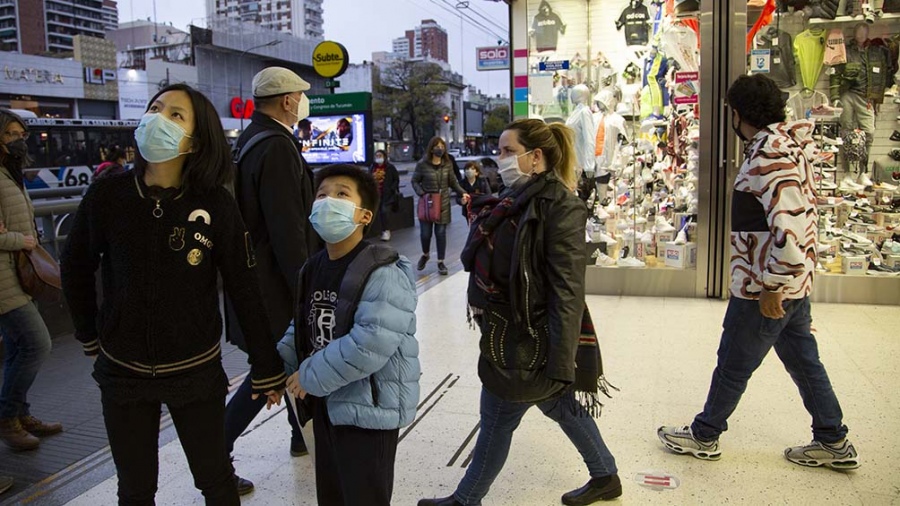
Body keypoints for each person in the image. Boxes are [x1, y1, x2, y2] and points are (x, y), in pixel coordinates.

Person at [60, 84, 287, 505]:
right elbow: (75, 264)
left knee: (216, 480)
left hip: (195, 370)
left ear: (194, 141)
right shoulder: (109, 194)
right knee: (135, 489)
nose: (158, 118)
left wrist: (266, 364)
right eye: (155, 108)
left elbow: (243, 285)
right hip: (123, 371)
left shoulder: (215, 202)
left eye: (176, 115)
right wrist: (89, 334)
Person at [657, 74, 860, 470]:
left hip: (763, 284)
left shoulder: (770, 155)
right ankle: (832, 439)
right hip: (787, 282)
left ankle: (705, 434)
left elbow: (789, 224)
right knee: (803, 360)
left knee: (734, 360)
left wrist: (773, 286)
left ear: (738, 113)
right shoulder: (783, 145)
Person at [418, 119, 621, 506]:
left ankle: (466, 499)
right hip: (507, 328)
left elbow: (567, 290)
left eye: (509, 151)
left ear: (536, 157)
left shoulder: (560, 207)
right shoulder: (512, 201)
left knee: (497, 416)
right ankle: (605, 475)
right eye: (500, 151)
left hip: (528, 337)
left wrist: (562, 363)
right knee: (556, 402)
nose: (501, 159)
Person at [281, 164, 419, 506]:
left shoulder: (384, 270)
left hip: (368, 410)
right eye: (322, 194)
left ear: (364, 215)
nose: (328, 201)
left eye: (342, 194)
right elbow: (301, 325)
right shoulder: (312, 267)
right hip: (326, 402)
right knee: (332, 492)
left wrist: (308, 376)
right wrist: (277, 367)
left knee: (363, 495)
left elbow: (370, 343)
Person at [224, 66, 318, 493]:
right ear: (286, 101)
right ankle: (214, 454)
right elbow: (287, 230)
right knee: (270, 370)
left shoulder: (248, 140)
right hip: (274, 285)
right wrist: (307, 284)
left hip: (251, 277)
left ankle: (302, 438)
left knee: (291, 361)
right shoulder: (277, 147)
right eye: (302, 95)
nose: (304, 102)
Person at [0, 109, 62, 452]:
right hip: (4, 280)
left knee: (16, 348)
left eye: (20, 133)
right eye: (10, 133)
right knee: (38, 343)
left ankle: (21, 414)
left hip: (17, 274)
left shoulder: (9, 174)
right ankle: (7, 417)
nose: (18, 140)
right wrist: (18, 240)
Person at [411, 136, 469, 276]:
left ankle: (441, 262)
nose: (440, 149)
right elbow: (414, 181)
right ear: (431, 148)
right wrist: (422, 193)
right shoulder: (422, 164)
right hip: (427, 203)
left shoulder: (447, 164)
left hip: (442, 203)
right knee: (425, 234)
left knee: (441, 234)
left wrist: (463, 193)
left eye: (442, 146)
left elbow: (453, 182)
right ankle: (425, 254)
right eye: (437, 146)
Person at [369, 149, 400, 241]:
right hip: (375, 194)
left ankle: (386, 231)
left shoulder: (390, 167)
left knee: (384, 211)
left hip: (387, 195)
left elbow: (396, 179)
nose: (378, 158)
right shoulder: (372, 167)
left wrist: (391, 188)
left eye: (380, 156)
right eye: (377, 156)